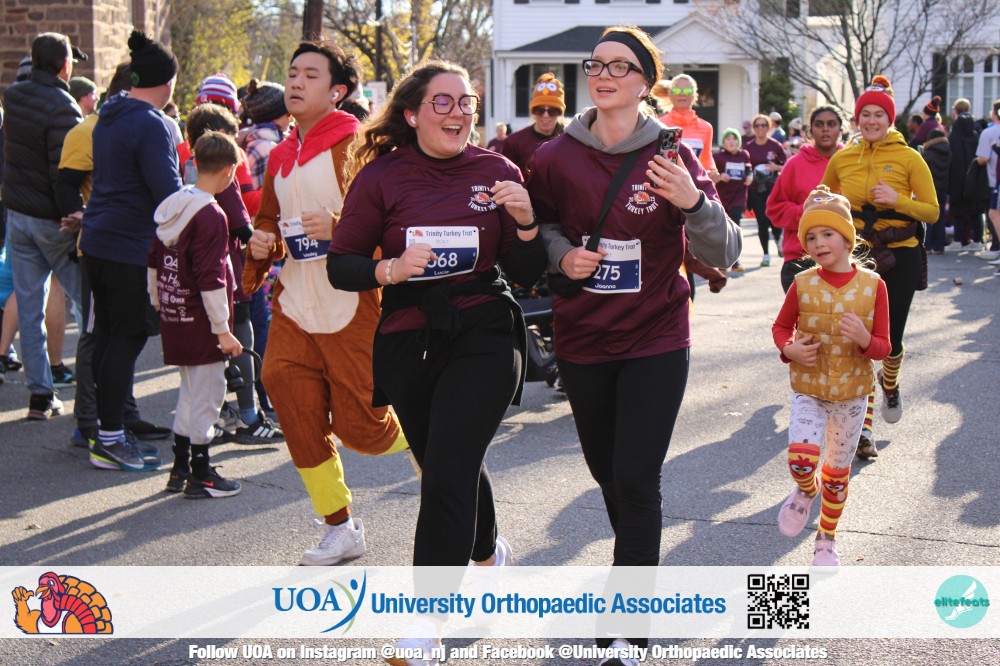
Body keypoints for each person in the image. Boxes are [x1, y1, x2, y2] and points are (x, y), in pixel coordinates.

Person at [529, 26, 740, 665]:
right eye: (596, 64)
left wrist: (695, 202)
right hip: (583, 337)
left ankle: (628, 626)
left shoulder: (672, 154)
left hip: (656, 334)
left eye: (621, 66)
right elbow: (537, 228)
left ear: (646, 82)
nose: (604, 74)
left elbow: (725, 249)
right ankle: (639, 564)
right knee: (608, 476)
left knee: (636, 477)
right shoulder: (556, 156)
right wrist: (562, 256)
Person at [327, 59, 545, 662]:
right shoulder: (382, 177)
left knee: (447, 469)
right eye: (443, 102)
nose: (458, 112)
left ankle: (425, 625)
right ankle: (488, 551)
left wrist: (526, 222)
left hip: (485, 330)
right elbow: (342, 264)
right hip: (410, 334)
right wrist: (390, 269)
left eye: (466, 102)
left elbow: (527, 274)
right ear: (412, 114)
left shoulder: (497, 171)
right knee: (447, 461)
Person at [242, 40, 407, 566]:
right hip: (294, 303)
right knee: (288, 398)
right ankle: (340, 527)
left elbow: (390, 223)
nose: (295, 82)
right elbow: (269, 219)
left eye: (310, 75)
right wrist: (262, 241)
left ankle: (437, 445)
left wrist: (339, 229)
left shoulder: (358, 145)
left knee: (366, 429)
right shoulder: (281, 154)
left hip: (350, 303)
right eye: (293, 72)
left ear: (337, 91)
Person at [771, 185, 890, 567]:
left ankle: (826, 539)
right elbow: (781, 327)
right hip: (809, 388)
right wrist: (788, 349)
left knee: (838, 474)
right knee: (802, 462)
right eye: (811, 237)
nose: (819, 243)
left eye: (827, 234)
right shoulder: (802, 283)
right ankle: (807, 490)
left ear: (847, 238)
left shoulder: (874, 286)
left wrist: (864, 340)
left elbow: (884, 347)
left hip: (852, 396)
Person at [822, 75, 939, 460]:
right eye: (865, 114)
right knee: (857, 341)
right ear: (857, 119)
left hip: (901, 255)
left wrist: (897, 200)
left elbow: (932, 212)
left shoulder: (910, 158)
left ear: (890, 119)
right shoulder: (842, 158)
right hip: (858, 256)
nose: (871, 120)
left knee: (890, 341)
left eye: (879, 115)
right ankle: (864, 429)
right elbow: (823, 198)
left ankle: (890, 383)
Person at [80, 30, 182, 471]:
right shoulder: (150, 122)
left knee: (107, 336)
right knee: (126, 338)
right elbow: (168, 193)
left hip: (98, 241)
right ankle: (109, 438)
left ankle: (109, 431)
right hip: (129, 247)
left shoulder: (109, 114)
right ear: (168, 83)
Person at [57, 62, 171, 448]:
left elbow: (124, 189)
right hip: (113, 247)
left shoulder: (117, 122)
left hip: (110, 242)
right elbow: (67, 184)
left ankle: (120, 418)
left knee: (116, 337)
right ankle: (95, 425)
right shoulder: (98, 127)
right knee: (107, 337)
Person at [148, 131, 244, 493]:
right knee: (208, 396)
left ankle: (179, 468)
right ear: (230, 171)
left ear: (195, 163)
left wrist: (158, 300)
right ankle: (201, 474)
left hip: (175, 313)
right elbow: (211, 277)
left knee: (189, 393)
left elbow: (154, 260)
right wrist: (222, 328)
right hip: (203, 321)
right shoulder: (211, 215)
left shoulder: (173, 206)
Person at [1, 32, 84, 419]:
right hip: (53, 220)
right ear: (64, 65)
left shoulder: (13, 96)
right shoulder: (63, 106)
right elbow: (64, 171)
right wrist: (75, 214)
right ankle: (97, 395)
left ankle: (39, 395)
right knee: (89, 304)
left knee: (30, 307)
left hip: (18, 215)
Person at [238, 78, 292, 417]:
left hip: (258, 239)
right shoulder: (270, 147)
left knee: (262, 319)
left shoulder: (249, 140)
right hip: (270, 241)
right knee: (267, 322)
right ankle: (267, 392)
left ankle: (264, 391)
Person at [768, 106, 845, 292]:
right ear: (810, 131)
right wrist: (808, 212)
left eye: (831, 124)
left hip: (845, 260)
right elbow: (774, 209)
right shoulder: (795, 164)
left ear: (841, 130)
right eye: (819, 124)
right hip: (801, 259)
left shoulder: (852, 163)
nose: (825, 129)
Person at [502, 72, 565, 176]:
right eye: (539, 110)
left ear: (560, 112)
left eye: (553, 110)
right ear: (533, 112)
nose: (545, 115)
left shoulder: (570, 142)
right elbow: (504, 177)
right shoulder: (514, 143)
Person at [709, 127, 752, 272]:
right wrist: (720, 176)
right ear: (723, 142)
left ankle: (735, 261)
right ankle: (722, 262)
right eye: (728, 139)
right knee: (723, 230)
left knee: (735, 226)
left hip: (739, 196)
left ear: (739, 141)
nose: (731, 142)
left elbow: (748, 168)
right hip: (722, 197)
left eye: (734, 139)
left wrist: (750, 176)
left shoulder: (744, 154)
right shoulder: (718, 157)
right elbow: (711, 173)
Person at [746, 113, 787, 266]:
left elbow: (788, 165)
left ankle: (778, 238)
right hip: (755, 188)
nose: (760, 128)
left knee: (773, 218)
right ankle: (765, 254)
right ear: (753, 128)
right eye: (757, 125)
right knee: (762, 220)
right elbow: (744, 166)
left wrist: (777, 167)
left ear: (769, 127)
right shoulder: (748, 147)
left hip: (772, 187)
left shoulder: (775, 146)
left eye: (763, 125)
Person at [653, 73, 714, 171]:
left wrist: (713, 172)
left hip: (694, 180)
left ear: (695, 95)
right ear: (670, 95)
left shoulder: (706, 127)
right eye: (677, 90)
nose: (682, 94)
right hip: (666, 179)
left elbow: (707, 162)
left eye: (687, 91)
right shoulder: (659, 125)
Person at [946, 99, 984, 254]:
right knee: (976, 211)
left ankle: (958, 241)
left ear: (956, 111)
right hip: (974, 176)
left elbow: (950, 158)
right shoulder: (976, 133)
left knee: (958, 210)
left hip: (957, 177)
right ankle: (978, 241)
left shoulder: (954, 135)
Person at [975, 99, 1000, 273]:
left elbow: (983, 159)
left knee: (993, 213)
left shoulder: (989, 132)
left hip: (994, 179)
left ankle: (997, 248)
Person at [919, 127, 951, 254]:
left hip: (930, 189)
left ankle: (927, 245)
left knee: (928, 218)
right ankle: (939, 246)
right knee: (941, 217)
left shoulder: (927, 154)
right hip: (943, 188)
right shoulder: (948, 152)